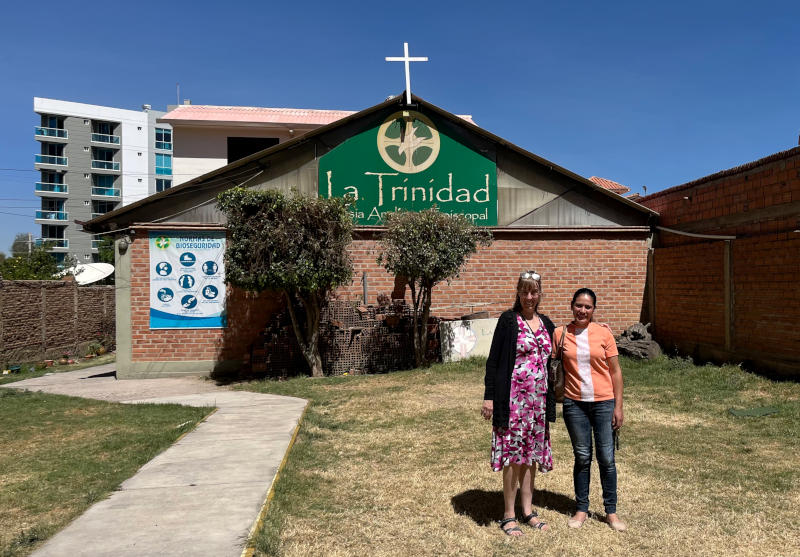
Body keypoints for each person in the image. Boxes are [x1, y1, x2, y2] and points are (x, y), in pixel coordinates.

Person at [482, 271, 557, 536]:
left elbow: (567, 340)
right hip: (513, 401)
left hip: (537, 405)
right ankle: (508, 514)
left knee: (531, 457)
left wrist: (596, 326)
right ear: (518, 292)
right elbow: (493, 361)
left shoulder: (547, 323)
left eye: (534, 291)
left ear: (540, 294)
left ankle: (528, 511)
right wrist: (489, 396)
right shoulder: (508, 321)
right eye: (524, 291)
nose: (529, 297)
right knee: (514, 457)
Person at [553, 288, 627, 532]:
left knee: (606, 458)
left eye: (588, 307)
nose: (582, 310)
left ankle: (611, 512)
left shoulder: (604, 333)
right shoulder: (560, 333)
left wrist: (618, 406)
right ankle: (582, 508)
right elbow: (549, 362)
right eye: (579, 305)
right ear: (571, 305)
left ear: (594, 310)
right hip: (574, 404)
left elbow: (615, 372)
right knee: (583, 457)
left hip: (604, 403)